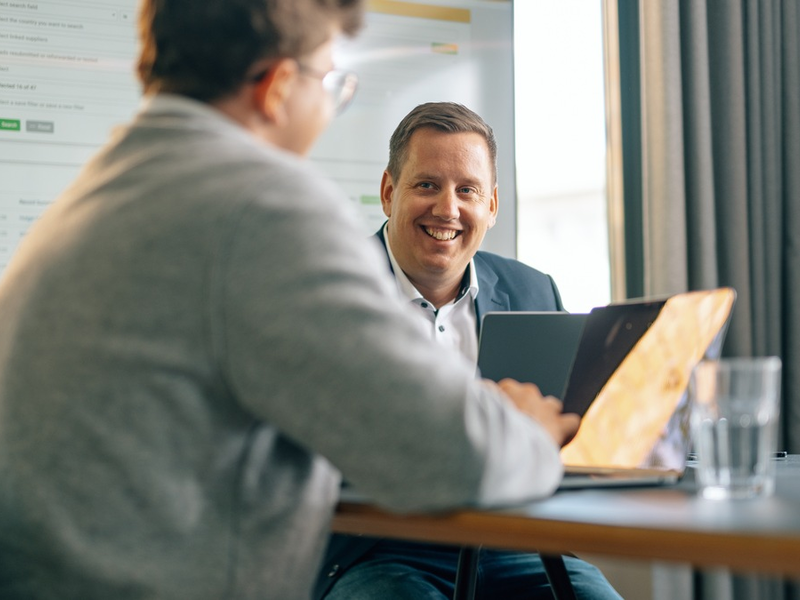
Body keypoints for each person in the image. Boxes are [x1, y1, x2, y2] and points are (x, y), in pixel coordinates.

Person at [0, 2, 582, 600]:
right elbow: (452, 456)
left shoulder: (88, 203)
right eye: (330, 84)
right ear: (279, 87)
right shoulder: (258, 208)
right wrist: (526, 429)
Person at [315, 103, 622, 600]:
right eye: (427, 185)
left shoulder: (534, 291)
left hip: (519, 543)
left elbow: (569, 435)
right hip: (380, 549)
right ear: (389, 192)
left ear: (493, 205)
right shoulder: (328, 291)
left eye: (467, 190)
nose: (448, 209)